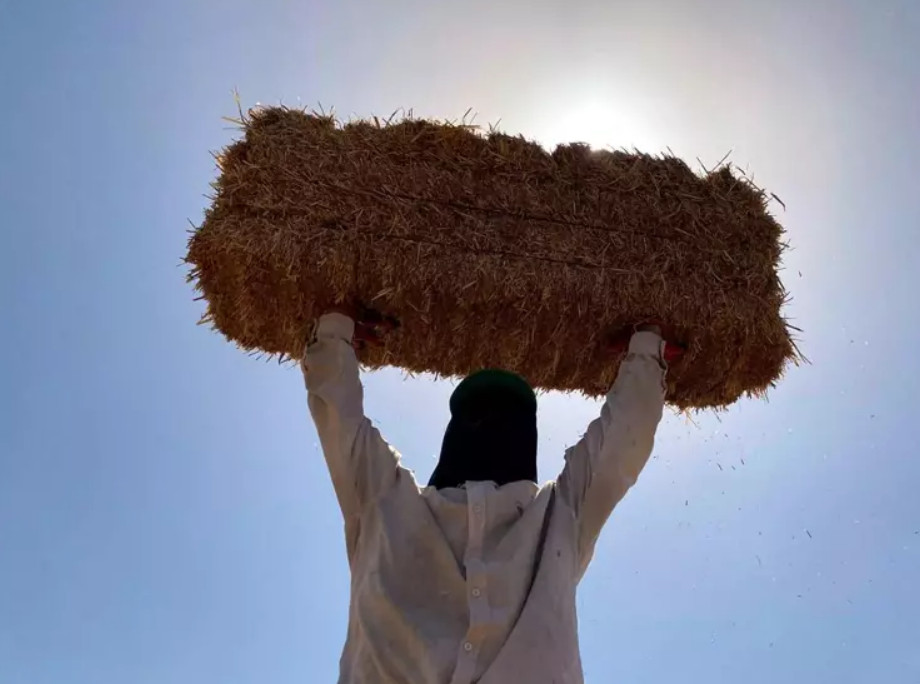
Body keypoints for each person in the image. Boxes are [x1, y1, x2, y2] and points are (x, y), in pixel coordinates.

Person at [302, 304, 682, 684]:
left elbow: (340, 422)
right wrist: (645, 347)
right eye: (480, 415)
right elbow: (621, 445)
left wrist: (336, 333)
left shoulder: (384, 501)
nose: (486, 425)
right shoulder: (559, 515)